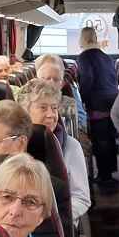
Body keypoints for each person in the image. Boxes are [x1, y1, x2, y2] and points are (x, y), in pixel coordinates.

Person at [18, 80, 92, 224]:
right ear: (25, 111)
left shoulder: (71, 146)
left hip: (57, 223)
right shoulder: (14, 144)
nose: (51, 114)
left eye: (54, 108)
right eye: (43, 108)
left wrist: (49, 218)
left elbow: (81, 197)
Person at [76, 26, 119, 188]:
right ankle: (110, 172)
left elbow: (87, 80)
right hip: (112, 100)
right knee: (109, 137)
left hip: (97, 102)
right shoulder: (105, 56)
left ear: (82, 39)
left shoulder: (84, 57)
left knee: (100, 138)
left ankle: (104, 175)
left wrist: (82, 99)